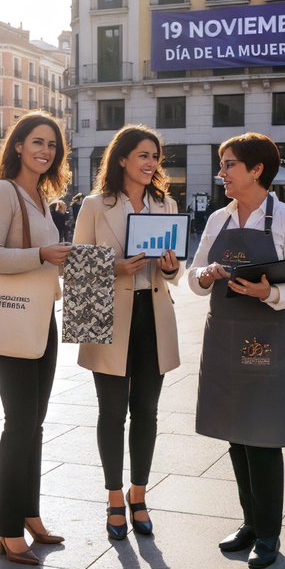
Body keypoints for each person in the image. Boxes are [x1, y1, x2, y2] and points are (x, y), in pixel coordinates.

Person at [188, 133, 285, 569]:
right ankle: (249, 522)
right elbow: (194, 273)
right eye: (222, 165)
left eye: (228, 165)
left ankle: (268, 533)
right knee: (236, 436)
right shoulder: (218, 220)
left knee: (263, 438)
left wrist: (271, 291)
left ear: (256, 169)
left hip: (269, 336)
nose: (221, 173)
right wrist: (205, 276)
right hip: (224, 335)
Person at [73, 125, 182, 541]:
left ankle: (140, 494)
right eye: (143, 155)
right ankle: (114, 497)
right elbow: (77, 265)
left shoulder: (166, 203)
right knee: (112, 413)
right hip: (108, 317)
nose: (151, 162)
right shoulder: (95, 206)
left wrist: (171, 267)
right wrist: (114, 267)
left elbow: (175, 271)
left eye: (155, 155)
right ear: (121, 159)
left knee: (148, 412)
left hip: (153, 316)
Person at [0, 111, 72, 565]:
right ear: (18, 145)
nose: (45, 151)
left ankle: (29, 513)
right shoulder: (3, 192)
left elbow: (44, 257)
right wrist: (41, 253)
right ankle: (5, 527)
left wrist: (59, 258)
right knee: (19, 422)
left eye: (52, 145)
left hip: (41, 317)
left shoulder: (42, 196)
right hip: (9, 321)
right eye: (37, 141)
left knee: (34, 422)